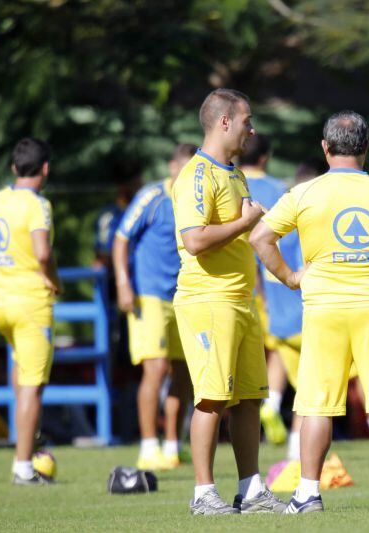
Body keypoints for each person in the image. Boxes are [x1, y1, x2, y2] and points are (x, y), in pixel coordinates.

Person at [250, 111, 369, 512]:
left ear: (325, 149)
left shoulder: (304, 193)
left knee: (316, 406)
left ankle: (308, 494)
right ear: (367, 148)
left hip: (323, 309)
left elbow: (260, 237)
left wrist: (291, 277)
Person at [172, 88, 284, 515]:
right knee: (212, 398)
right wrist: (245, 221)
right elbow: (195, 240)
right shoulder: (197, 175)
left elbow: (247, 232)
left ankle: (251, 490)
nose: (251, 129)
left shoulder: (235, 173)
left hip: (240, 300)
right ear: (223, 122)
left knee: (250, 398)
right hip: (207, 300)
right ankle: (203, 493)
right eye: (245, 121)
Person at [0, 138, 62, 485]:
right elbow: (42, 253)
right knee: (32, 386)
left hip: (0, 301)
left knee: (21, 370)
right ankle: (23, 466)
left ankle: (24, 443)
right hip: (31, 303)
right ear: (45, 169)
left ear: (14, 168)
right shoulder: (38, 205)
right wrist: (55, 281)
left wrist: (0, 284)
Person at [112, 144, 196, 470]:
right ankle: (148, 446)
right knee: (156, 368)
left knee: (184, 372)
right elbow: (121, 238)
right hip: (149, 295)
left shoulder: (196, 199)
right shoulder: (153, 196)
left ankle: (173, 445)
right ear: (172, 166)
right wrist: (123, 282)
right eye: (183, 167)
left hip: (184, 295)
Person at [239, 134, 295, 447]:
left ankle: (261, 406)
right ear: (265, 157)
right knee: (280, 348)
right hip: (273, 283)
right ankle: (271, 403)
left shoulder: (230, 184)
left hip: (238, 283)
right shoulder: (279, 190)